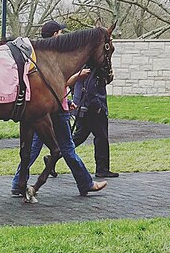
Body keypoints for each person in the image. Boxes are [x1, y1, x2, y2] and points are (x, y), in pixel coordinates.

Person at [11, 21, 107, 196]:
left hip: (46, 109)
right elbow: (58, 85)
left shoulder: (41, 56)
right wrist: (78, 77)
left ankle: (18, 182)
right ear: (55, 34)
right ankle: (85, 183)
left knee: (33, 148)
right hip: (56, 110)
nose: (62, 35)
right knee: (67, 148)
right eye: (60, 32)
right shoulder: (54, 57)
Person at [72, 65, 119, 178]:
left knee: (79, 136)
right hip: (92, 109)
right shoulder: (92, 69)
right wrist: (98, 106)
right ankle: (102, 169)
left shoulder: (80, 66)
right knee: (101, 137)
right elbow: (90, 89)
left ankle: (53, 156)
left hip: (82, 107)